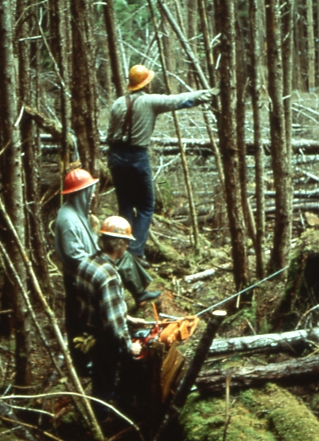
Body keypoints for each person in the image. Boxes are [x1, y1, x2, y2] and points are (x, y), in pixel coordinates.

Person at [106, 64, 217, 261]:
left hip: (115, 156)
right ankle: (135, 253)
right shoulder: (151, 101)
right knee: (147, 207)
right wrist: (210, 93)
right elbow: (180, 100)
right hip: (136, 157)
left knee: (125, 207)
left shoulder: (117, 103)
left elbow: (109, 133)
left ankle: (120, 252)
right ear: (146, 84)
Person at [53, 169, 160, 372]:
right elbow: (74, 256)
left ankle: (140, 292)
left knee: (126, 256)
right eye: (90, 190)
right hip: (80, 275)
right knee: (81, 318)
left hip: (91, 267)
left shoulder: (79, 213)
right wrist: (98, 266)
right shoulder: (67, 219)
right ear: (80, 192)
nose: (93, 194)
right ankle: (83, 362)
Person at [72, 216, 145, 419]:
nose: (129, 245)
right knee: (107, 380)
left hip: (90, 330)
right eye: (127, 241)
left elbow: (99, 305)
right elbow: (113, 323)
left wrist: (128, 318)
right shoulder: (109, 275)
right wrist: (128, 345)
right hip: (106, 338)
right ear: (119, 243)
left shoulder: (87, 263)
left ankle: (114, 406)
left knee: (101, 376)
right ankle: (106, 420)